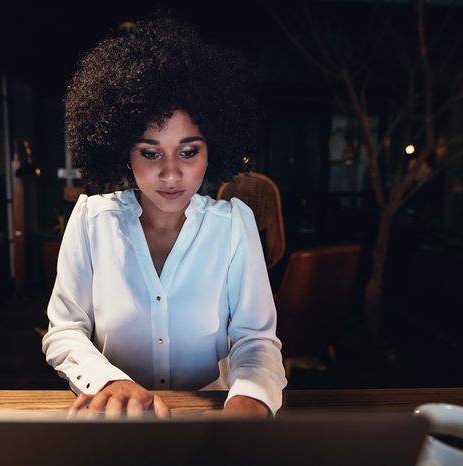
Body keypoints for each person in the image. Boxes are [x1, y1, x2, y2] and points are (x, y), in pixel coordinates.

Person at [42, 12, 287, 419]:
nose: (171, 173)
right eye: (150, 153)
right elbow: (65, 330)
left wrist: (249, 402)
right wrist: (109, 382)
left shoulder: (233, 226)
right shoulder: (90, 221)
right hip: (111, 419)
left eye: (188, 152)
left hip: (212, 418)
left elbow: (255, 339)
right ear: (124, 150)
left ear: (213, 150)